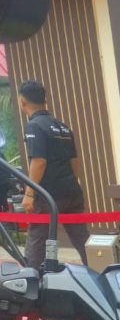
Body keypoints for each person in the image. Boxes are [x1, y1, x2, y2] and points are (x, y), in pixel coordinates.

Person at [17, 80, 88, 268]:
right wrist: (72, 182)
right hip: (72, 192)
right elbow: (74, 161)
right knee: (82, 239)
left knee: (37, 241)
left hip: (48, 196)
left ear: (22, 102)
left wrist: (29, 194)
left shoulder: (34, 126)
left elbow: (39, 161)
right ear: (44, 100)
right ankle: (100, 270)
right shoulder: (62, 126)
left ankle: (30, 280)